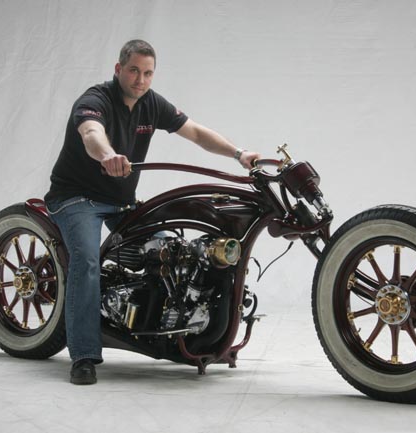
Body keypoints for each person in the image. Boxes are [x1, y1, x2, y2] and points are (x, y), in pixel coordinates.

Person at [44, 39, 260, 385]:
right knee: (86, 262)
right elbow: (90, 133)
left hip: (121, 203)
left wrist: (239, 153)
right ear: (118, 69)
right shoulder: (95, 100)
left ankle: (176, 335)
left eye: (147, 73)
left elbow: (195, 132)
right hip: (76, 199)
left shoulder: (151, 104)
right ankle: (83, 355)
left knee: (173, 251)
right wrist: (107, 155)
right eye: (133, 71)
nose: (140, 80)